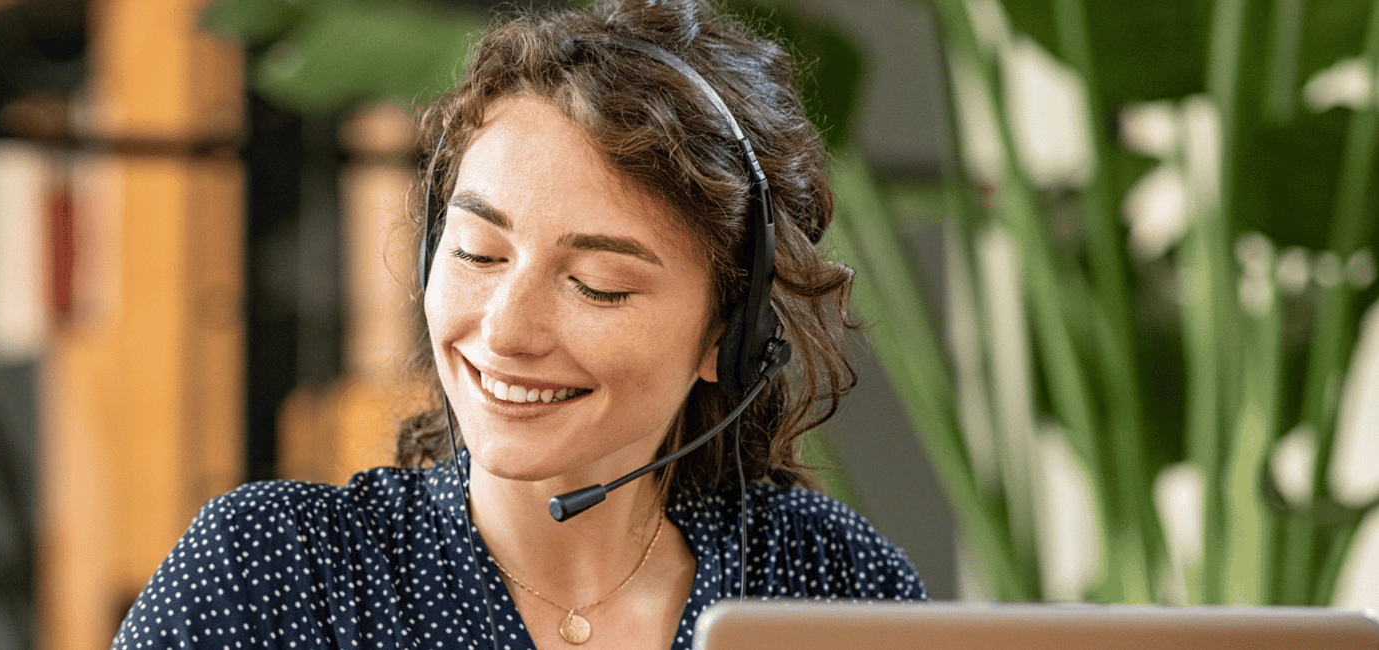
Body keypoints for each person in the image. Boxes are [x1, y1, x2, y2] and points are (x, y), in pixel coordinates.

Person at [112, 1, 925, 648]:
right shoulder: (270, 573)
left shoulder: (827, 582)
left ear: (730, 334)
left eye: (598, 286)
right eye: (478, 254)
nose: (505, 331)